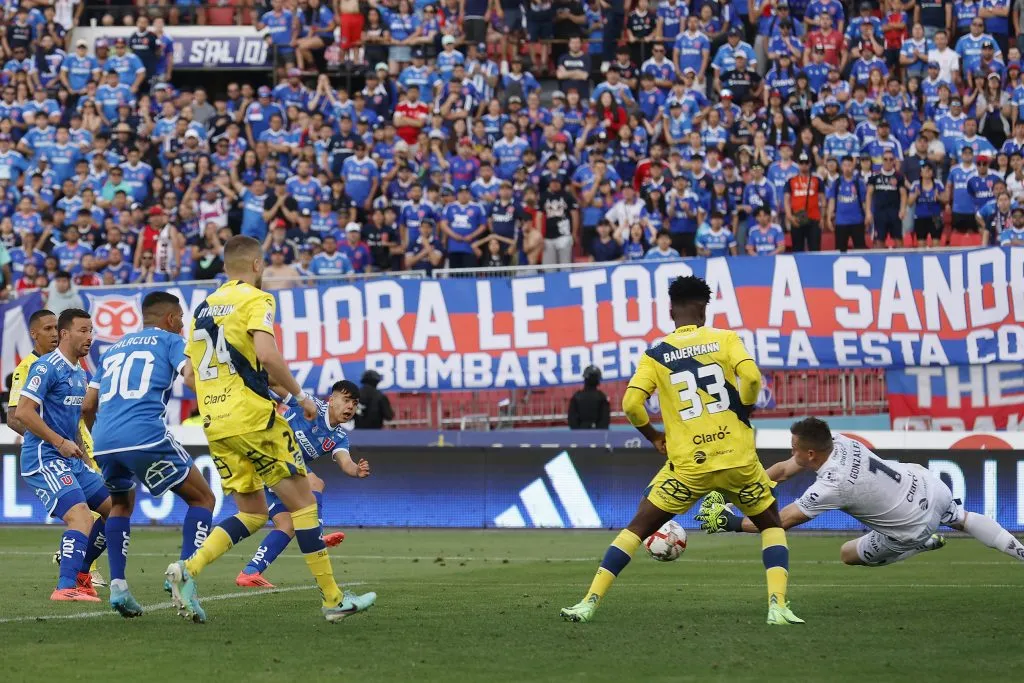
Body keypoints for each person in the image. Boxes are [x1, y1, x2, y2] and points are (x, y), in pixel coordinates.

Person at [561, 276, 802, 626]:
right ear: (704, 309)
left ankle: (588, 603)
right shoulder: (725, 339)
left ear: (670, 310)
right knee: (771, 526)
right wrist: (744, 410)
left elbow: (631, 404)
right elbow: (751, 379)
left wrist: (653, 436)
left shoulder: (656, 354)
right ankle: (777, 606)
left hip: (689, 466)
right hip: (739, 460)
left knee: (636, 529)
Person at [164, 235, 375, 624]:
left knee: (254, 512)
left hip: (216, 424)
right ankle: (333, 599)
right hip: (254, 420)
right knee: (304, 504)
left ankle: (188, 569)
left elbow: (191, 376)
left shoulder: (203, 309)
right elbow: (266, 354)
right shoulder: (257, 299)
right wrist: (301, 396)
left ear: (225, 266)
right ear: (258, 265)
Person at [698, 417, 1024, 569]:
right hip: (928, 485)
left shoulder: (831, 486)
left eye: (795, 447)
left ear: (811, 454)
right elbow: (782, 471)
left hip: (910, 526)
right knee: (962, 518)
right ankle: (1020, 552)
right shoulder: (839, 440)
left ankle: (920, 543)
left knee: (847, 554)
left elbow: (779, 522)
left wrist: (731, 522)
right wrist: (737, 494)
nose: (791, 451)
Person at [82, 291, 217, 618]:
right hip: (144, 434)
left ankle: (118, 586)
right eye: (181, 321)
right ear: (171, 319)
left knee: (120, 505)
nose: (182, 326)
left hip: (103, 438)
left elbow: (87, 405)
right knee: (203, 499)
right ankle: (185, 577)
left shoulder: (113, 349)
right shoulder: (171, 341)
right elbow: (189, 377)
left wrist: (100, 437)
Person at [14, 308, 111, 602]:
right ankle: (65, 587)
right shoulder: (46, 367)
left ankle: (82, 574)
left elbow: (75, 418)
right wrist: (59, 442)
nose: (90, 337)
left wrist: (80, 447)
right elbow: (22, 412)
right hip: (43, 458)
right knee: (80, 517)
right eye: (83, 331)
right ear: (64, 334)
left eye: (91, 331)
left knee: (117, 506)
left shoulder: (81, 373)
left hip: (70, 458)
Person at [236, 381, 370, 588]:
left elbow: (346, 463)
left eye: (354, 403)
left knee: (287, 525)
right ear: (331, 400)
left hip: (275, 475)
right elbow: (278, 386)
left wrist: (356, 470)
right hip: (269, 454)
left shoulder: (339, 437)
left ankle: (250, 571)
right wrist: (260, 374)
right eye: (346, 400)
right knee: (316, 482)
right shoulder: (310, 405)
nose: (350, 406)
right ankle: (316, 535)